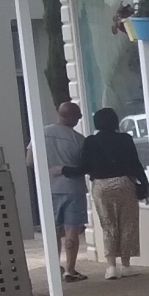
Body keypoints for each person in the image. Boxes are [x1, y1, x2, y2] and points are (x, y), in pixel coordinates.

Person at [80, 107, 149, 279]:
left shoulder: (90, 141)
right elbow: (135, 163)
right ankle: (126, 265)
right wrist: (145, 184)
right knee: (128, 223)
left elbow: (85, 166)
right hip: (124, 183)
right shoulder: (125, 139)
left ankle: (111, 267)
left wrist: (65, 170)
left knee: (108, 225)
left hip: (101, 186)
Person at [42, 100, 89, 283]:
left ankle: (54, 267)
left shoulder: (43, 134)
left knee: (52, 228)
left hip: (50, 187)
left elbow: (30, 160)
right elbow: (84, 166)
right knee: (72, 228)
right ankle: (70, 269)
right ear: (71, 117)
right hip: (73, 188)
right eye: (78, 117)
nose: (79, 120)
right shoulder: (78, 140)